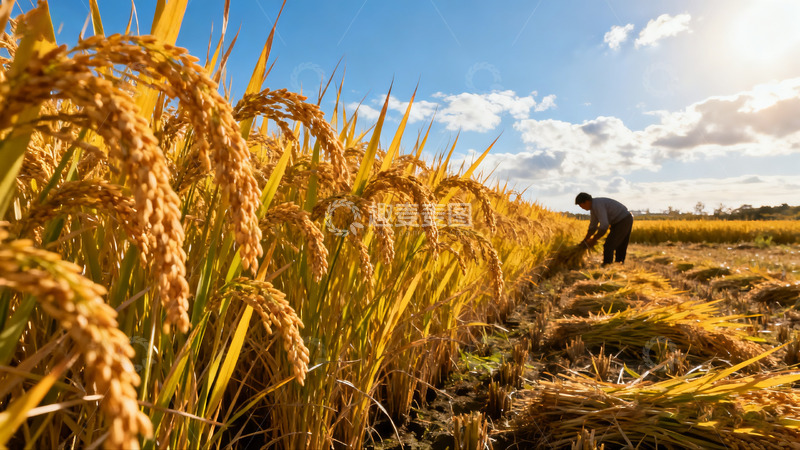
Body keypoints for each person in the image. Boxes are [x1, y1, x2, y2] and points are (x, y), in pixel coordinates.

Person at [575, 192, 633, 266]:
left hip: (623, 220)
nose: (581, 208)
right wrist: (585, 240)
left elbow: (604, 225)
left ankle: (607, 266)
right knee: (618, 245)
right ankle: (618, 265)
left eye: (581, 205)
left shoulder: (598, 205)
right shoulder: (593, 208)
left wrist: (594, 239)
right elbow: (592, 227)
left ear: (586, 202)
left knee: (609, 245)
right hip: (622, 220)